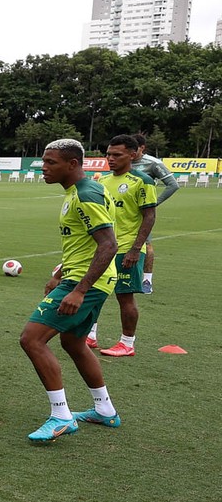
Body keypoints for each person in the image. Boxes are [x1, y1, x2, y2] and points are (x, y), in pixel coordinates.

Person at [18, 138, 121, 442]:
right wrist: (59, 273)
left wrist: (77, 290)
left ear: (72, 164)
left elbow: (109, 244)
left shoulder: (86, 194)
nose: (43, 168)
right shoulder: (80, 191)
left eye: (50, 162)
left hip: (86, 282)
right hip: (83, 278)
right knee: (74, 343)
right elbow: (82, 242)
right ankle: (104, 410)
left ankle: (61, 416)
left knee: (32, 339)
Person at [85, 135, 156, 357]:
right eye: (108, 154)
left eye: (117, 155)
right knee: (94, 291)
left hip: (127, 248)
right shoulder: (103, 181)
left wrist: (136, 249)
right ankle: (91, 335)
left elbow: (149, 216)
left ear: (133, 155)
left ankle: (127, 343)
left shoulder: (142, 181)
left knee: (124, 296)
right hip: (105, 249)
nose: (110, 159)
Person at [130, 133, 177, 294]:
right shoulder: (123, 160)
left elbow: (172, 185)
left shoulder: (153, 163)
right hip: (120, 211)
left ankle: (147, 281)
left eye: (133, 148)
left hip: (142, 214)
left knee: (145, 244)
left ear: (142, 148)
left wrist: (154, 202)